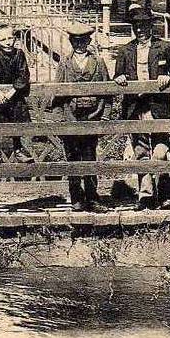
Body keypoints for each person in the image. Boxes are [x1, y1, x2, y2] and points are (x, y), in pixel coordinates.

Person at [113, 9, 170, 208]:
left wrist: (168, 76)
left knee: (161, 149)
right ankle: (146, 196)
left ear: (150, 26)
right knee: (140, 150)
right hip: (136, 107)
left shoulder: (164, 48)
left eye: (144, 26)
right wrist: (119, 78)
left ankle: (162, 192)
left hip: (158, 106)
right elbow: (117, 75)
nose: (140, 30)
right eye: (136, 27)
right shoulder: (125, 50)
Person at [50, 21, 110, 211]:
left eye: (83, 40)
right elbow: (57, 93)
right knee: (73, 156)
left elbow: (107, 91)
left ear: (89, 40)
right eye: (75, 41)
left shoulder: (98, 62)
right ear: (70, 42)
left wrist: (105, 115)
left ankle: (92, 197)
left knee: (90, 155)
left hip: (93, 115)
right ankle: (76, 197)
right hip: (70, 116)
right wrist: (59, 117)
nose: (79, 45)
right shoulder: (65, 63)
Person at [0, 24, 34, 164]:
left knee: (16, 121)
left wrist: (13, 91)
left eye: (11, 38)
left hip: (13, 95)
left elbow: (23, 75)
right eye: (3, 39)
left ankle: (18, 149)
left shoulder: (19, 54)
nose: (8, 42)